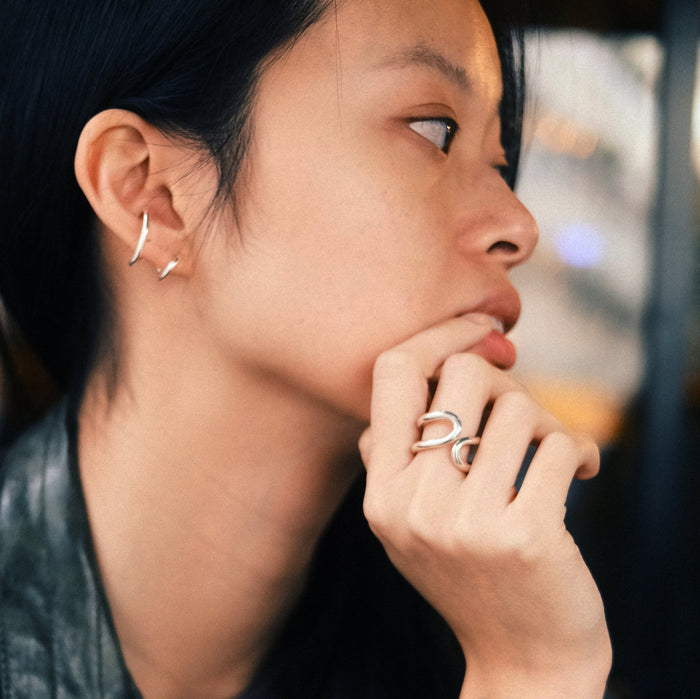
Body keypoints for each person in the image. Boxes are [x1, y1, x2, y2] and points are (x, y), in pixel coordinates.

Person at [0, 0, 613, 696]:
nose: (519, 225)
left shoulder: (492, 634)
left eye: (500, 160)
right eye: (434, 129)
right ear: (152, 193)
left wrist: (534, 670)